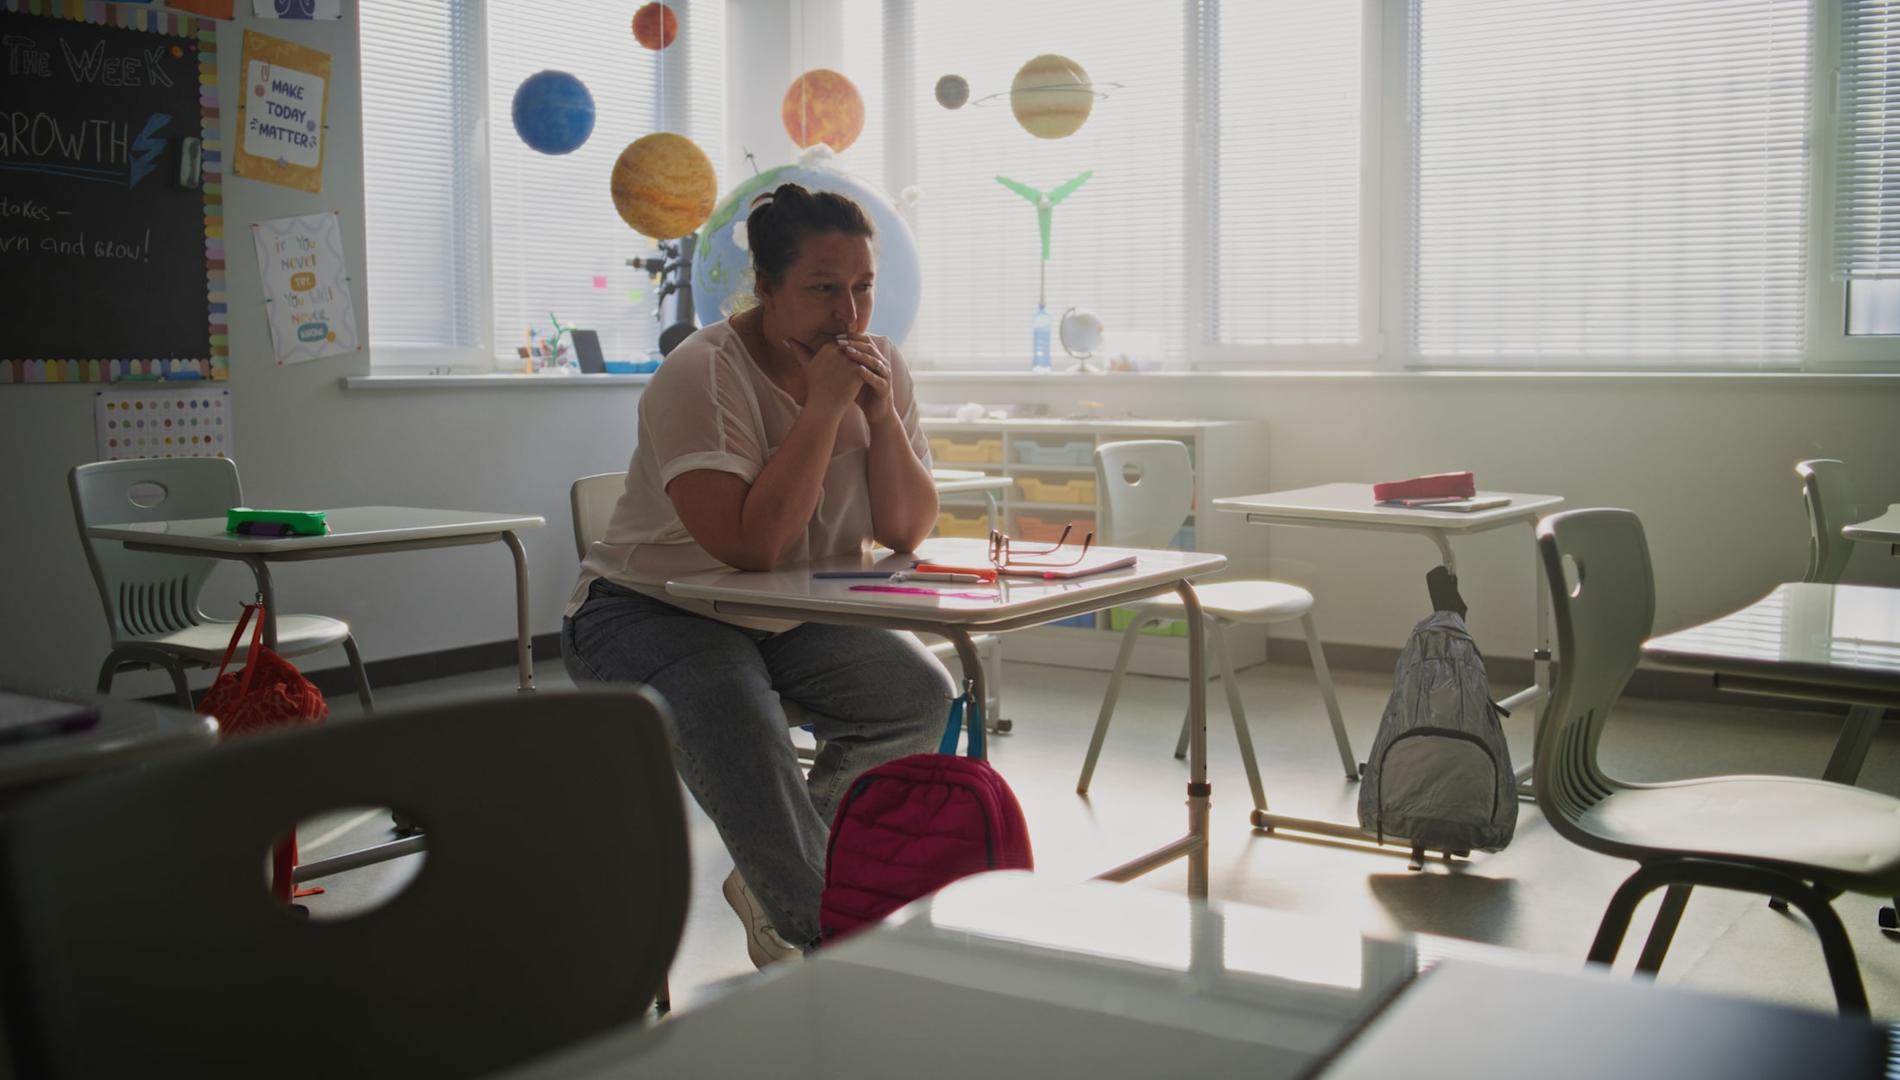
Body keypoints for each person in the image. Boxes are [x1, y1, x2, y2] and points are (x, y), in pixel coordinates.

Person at [562, 183, 951, 965]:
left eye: (862, 288)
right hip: (647, 610)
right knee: (734, 700)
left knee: (916, 694)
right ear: (765, 290)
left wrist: (875, 416)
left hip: (784, 612)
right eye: (821, 290)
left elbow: (907, 528)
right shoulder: (702, 371)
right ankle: (818, 933)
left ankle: (774, 880)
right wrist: (818, 411)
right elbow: (753, 546)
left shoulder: (881, 369)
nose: (848, 315)